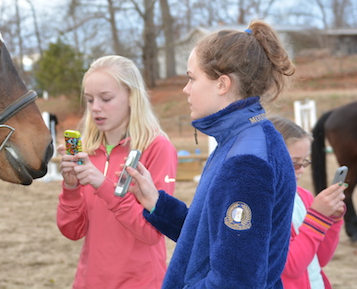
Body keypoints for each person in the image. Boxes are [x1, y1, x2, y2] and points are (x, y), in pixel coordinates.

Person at [126, 20, 297, 288]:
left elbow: (235, 281)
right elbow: (210, 240)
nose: (186, 88)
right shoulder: (242, 139)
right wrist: (156, 203)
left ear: (222, 84)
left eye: (192, 78)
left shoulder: (246, 162)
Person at [56, 55, 178, 289]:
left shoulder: (157, 147)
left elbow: (152, 232)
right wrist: (70, 188)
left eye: (106, 98)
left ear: (132, 96)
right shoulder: (87, 150)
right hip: (88, 281)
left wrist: (102, 185)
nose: (96, 108)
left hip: (141, 282)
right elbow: (72, 230)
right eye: (90, 100)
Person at [269, 116, 346, 289]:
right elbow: (292, 267)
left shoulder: (303, 196)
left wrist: (331, 220)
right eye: (295, 163)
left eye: (305, 161)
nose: (302, 169)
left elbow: (321, 258)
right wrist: (317, 218)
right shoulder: (266, 204)